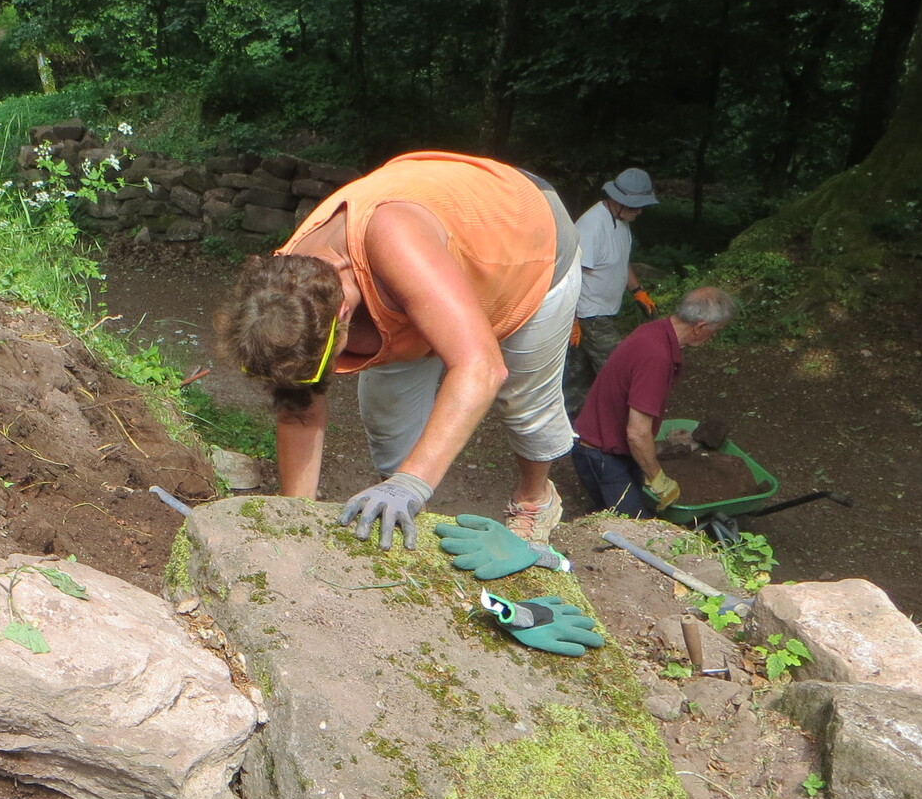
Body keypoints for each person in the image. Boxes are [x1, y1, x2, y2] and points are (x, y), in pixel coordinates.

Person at [216, 150, 580, 552]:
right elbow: (298, 408)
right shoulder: (287, 287)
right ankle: (402, 508)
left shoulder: (395, 242)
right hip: (418, 266)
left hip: (524, 236)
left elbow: (481, 367)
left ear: (342, 314)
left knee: (523, 402)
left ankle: (534, 501)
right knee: (388, 412)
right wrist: (297, 521)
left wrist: (411, 483)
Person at [570, 286, 736, 517]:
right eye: (715, 331)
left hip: (606, 444)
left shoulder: (655, 330)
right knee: (636, 527)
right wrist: (658, 479)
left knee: (619, 510)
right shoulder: (656, 356)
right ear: (700, 327)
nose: (714, 336)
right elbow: (637, 433)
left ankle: (603, 511)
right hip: (600, 454)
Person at [564, 167, 658, 416]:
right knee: (618, 367)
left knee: (579, 374)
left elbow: (622, 261)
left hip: (604, 311)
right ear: (617, 199)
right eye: (635, 205)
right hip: (590, 314)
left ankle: (573, 421)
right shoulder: (591, 226)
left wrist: (638, 291)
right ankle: (622, 422)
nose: (639, 211)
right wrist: (573, 319)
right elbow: (572, 275)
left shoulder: (622, 222)